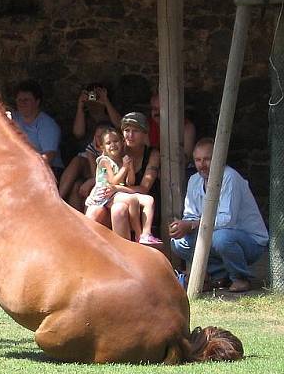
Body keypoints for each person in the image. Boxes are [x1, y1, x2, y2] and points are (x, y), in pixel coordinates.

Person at [170, 137, 268, 293]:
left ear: (218, 158)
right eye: (198, 160)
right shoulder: (194, 180)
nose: (202, 165)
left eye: (207, 159)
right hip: (214, 235)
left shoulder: (230, 177)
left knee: (220, 239)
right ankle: (213, 276)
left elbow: (227, 220)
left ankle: (240, 278)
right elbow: (190, 215)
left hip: (250, 242)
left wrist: (192, 224)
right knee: (178, 241)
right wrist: (182, 226)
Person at [84, 126, 161, 244]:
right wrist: (125, 167)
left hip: (117, 192)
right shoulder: (104, 161)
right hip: (105, 194)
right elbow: (113, 181)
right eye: (108, 143)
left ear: (122, 142)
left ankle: (146, 233)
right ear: (102, 147)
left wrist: (130, 168)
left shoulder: (122, 160)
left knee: (149, 200)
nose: (113, 145)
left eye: (116, 141)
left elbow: (130, 183)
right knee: (132, 199)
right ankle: (138, 234)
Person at [11, 80, 63, 179]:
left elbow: (48, 157)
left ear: (37, 102)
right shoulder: (13, 118)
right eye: (19, 100)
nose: (22, 103)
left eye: (26, 100)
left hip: (48, 171)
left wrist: (24, 169)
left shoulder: (48, 125)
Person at [58, 120, 111, 211]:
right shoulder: (92, 148)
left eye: (102, 136)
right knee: (76, 185)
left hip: (108, 179)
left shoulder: (114, 148)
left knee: (81, 186)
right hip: (95, 174)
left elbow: (101, 178)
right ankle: (59, 199)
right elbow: (95, 172)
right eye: (97, 136)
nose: (99, 139)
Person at [71, 82, 122, 149]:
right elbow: (78, 134)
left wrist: (106, 101)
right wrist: (80, 105)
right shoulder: (84, 117)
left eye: (97, 96)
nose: (94, 99)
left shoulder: (112, 115)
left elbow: (120, 126)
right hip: (88, 153)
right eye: (91, 96)